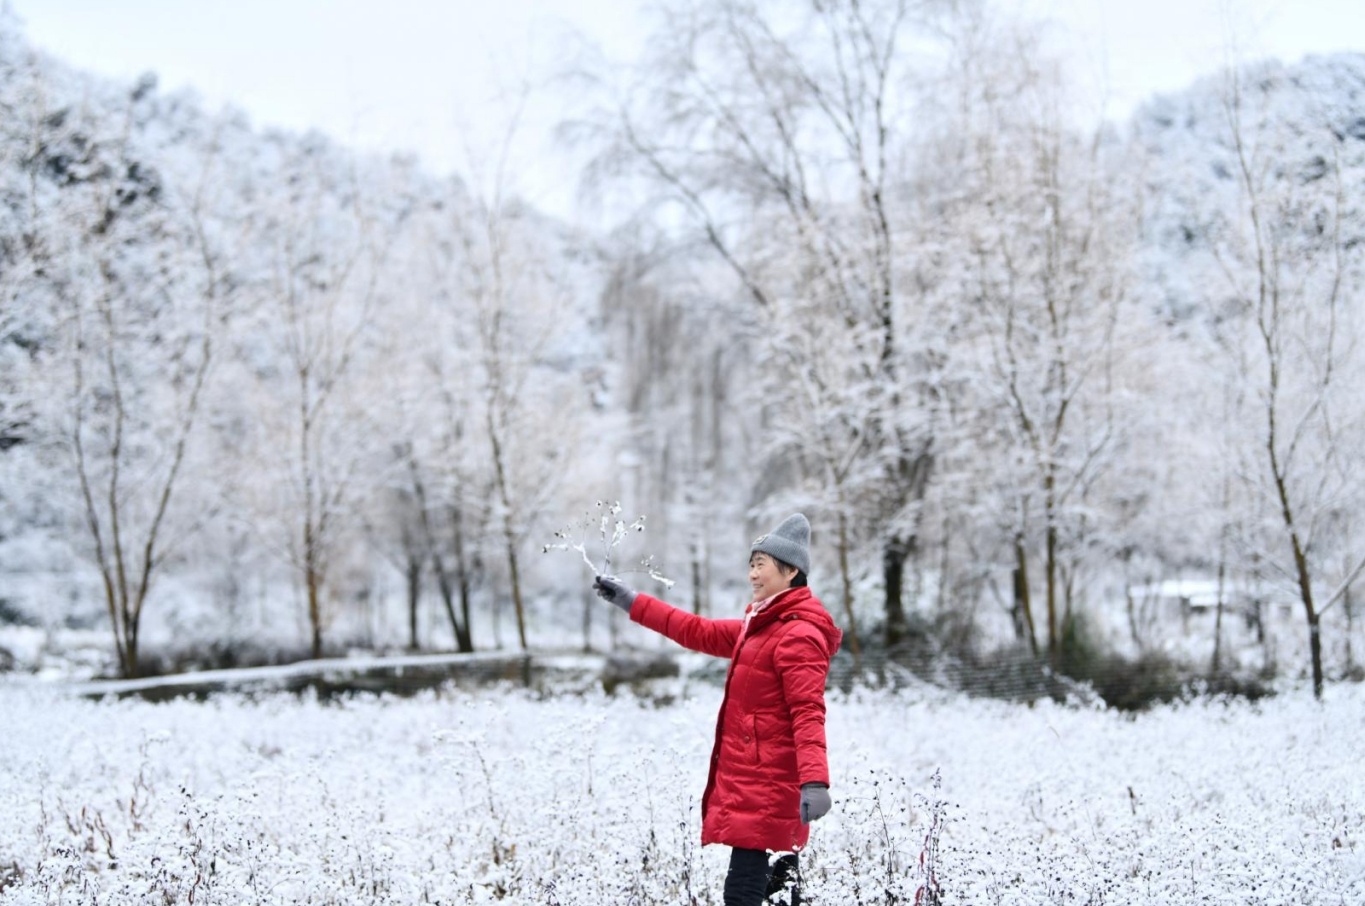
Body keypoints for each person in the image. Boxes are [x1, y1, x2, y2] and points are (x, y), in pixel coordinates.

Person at [593, 513, 842, 906]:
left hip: (770, 783)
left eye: (760, 565)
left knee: (743, 892)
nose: (753, 575)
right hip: (754, 779)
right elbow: (695, 630)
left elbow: (808, 711)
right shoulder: (760, 625)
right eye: (751, 565)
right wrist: (631, 601)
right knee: (772, 889)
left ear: (791, 570)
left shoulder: (798, 635)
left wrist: (816, 781)